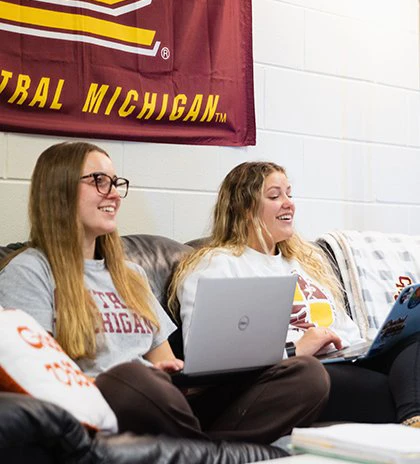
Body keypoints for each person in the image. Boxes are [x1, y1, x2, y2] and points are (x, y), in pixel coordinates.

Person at [0, 143, 330, 444]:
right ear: (59, 189)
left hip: (165, 404)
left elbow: (168, 365)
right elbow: (39, 374)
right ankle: (206, 450)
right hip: (109, 404)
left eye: (116, 183)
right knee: (131, 377)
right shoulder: (30, 272)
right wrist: (142, 378)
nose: (114, 194)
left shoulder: (131, 274)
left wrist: (173, 374)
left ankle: (198, 449)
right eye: (99, 181)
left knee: (306, 375)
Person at [168, 161, 420, 427]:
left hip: (340, 362)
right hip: (287, 375)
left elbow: (348, 333)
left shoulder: (305, 263)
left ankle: (412, 419)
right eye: (275, 196)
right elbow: (211, 354)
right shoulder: (217, 264)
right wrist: (297, 349)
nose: (288, 203)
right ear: (243, 208)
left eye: (289, 194)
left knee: (412, 341)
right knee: (382, 389)